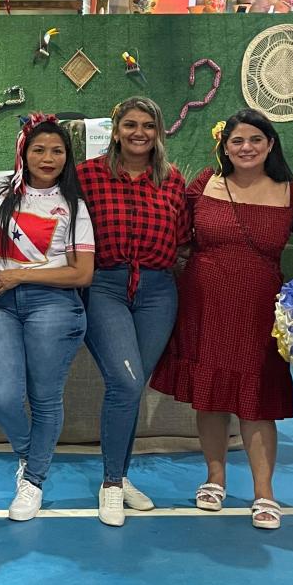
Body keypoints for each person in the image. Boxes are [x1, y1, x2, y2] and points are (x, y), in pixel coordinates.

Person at [150, 110, 293, 530]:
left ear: (270, 144)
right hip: (204, 303)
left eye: (255, 139)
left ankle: (264, 492)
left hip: (259, 309)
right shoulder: (204, 184)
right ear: (224, 146)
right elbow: (175, 236)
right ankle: (215, 478)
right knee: (210, 395)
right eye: (237, 141)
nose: (246, 148)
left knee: (258, 399)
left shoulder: (291, 191)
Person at [77, 97, 188, 527]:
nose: (139, 133)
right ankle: (110, 483)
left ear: (159, 132)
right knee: (124, 381)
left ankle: (121, 478)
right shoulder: (88, 175)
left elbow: (182, 237)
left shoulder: (172, 180)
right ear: (116, 129)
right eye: (130, 124)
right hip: (106, 286)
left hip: (158, 291)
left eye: (148, 125)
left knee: (133, 386)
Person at [0, 114, 95, 522]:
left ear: (68, 157)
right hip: (2, 305)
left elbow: (82, 273)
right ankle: (30, 453)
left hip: (54, 305)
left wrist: (19, 275)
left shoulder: (74, 206)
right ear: (23, 153)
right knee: (1, 395)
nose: (48, 158)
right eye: (39, 149)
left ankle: (33, 479)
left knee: (45, 397)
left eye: (57, 151)